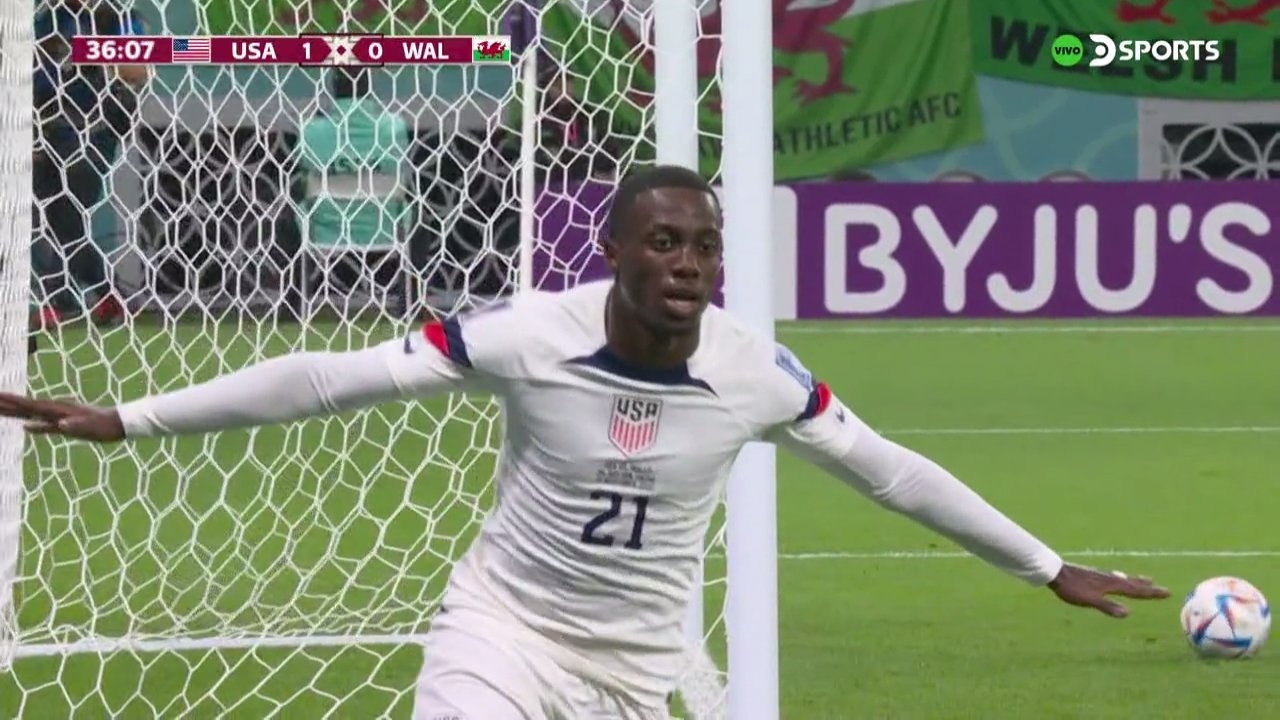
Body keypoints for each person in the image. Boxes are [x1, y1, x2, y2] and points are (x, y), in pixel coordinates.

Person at [0, 165, 1169, 719]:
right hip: (502, 634)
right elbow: (329, 380)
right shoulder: (521, 336)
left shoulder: (754, 372)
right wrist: (130, 418)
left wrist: (1042, 563)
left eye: (704, 247)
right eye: (663, 243)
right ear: (613, 252)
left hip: (643, 669)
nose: (687, 265)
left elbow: (890, 472)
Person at [32, 0, 148, 328]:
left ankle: (58, 301)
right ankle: (103, 294)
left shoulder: (119, 16)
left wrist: (95, 50)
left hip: (94, 131)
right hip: (45, 129)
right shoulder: (46, 18)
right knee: (39, 217)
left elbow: (138, 71)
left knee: (67, 213)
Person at [294, 67, 410, 316]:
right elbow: (402, 171)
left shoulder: (312, 131)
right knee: (420, 213)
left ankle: (293, 302)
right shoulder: (393, 128)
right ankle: (413, 299)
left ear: (333, 89)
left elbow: (300, 166)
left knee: (288, 211)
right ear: (369, 87)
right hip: (386, 226)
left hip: (325, 229)